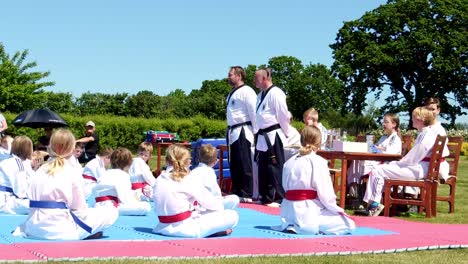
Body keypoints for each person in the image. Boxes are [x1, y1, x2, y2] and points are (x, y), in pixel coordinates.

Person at [13, 129, 117, 240]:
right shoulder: (72, 171)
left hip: (33, 228)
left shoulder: (39, 171)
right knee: (111, 213)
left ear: (51, 146)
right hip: (61, 231)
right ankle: (87, 232)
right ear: (72, 148)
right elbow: (79, 210)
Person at [273, 126, 355, 234]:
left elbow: (284, 188)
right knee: (349, 224)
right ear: (319, 143)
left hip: (288, 212)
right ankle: (307, 227)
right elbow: (326, 195)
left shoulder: (289, 162)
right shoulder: (319, 162)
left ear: (301, 140)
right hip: (308, 212)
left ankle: (293, 224)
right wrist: (338, 210)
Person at [360, 107, 439, 216]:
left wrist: (398, 163)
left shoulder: (426, 134)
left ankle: (374, 205)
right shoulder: (425, 133)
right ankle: (372, 204)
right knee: (380, 169)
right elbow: (414, 156)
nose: (412, 120)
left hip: (419, 169)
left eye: (414, 117)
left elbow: (414, 157)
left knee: (378, 170)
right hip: (419, 167)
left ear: (421, 119)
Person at [153, 144, 239, 238]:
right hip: (187, 229)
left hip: (162, 226)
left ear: (166, 161)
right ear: (186, 162)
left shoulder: (159, 179)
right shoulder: (187, 178)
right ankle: (210, 231)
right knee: (233, 215)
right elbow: (213, 205)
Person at [254, 68, 290, 207]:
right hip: (262, 135)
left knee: (275, 167)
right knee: (263, 167)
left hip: (274, 134)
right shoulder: (260, 95)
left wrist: (286, 133)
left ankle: (281, 197)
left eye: (257, 78)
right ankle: (265, 196)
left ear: (265, 78)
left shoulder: (276, 93)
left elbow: (283, 115)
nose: (255, 81)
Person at [347, 113, 402, 198]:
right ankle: (353, 187)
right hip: (377, 160)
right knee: (356, 161)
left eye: (386, 122)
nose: (383, 124)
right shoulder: (384, 137)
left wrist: (379, 149)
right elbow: (375, 148)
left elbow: (390, 154)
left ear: (394, 124)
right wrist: (378, 148)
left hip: (386, 164)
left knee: (361, 163)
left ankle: (357, 190)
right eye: (383, 122)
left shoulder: (395, 139)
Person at [226, 66, 258, 202]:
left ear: (239, 76)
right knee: (235, 162)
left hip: (243, 130)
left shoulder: (247, 91)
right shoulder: (231, 93)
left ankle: (247, 192)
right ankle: (237, 190)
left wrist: (256, 132)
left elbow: (254, 112)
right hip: (232, 130)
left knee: (245, 162)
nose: (229, 77)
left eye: (231, 75)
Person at [94, 147, 151, 216]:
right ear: (128, 164)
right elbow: (125, 199)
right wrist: (136, 201)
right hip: (111, 207)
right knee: (146, 207)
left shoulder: (105, 173)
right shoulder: (123, 175)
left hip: (97, 205)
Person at [186, 144, 239, 210]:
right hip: (206, 207)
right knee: (235, 199)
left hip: (194, 205)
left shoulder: (193, 171)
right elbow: (215, 194)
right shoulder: (209, 172)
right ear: (215, 161)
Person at [0, 136, 35, 215]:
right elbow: (20, 191)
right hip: (5, 202)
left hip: (6, 200)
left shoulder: (13, 161)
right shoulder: (17, 163)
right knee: (36, 206)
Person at [424, 97, 450, 180]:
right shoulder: (424, 129)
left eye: (433, 109)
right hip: (426, 163)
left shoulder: (440, 130)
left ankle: (412, 193)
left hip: (437, 166)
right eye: (428, 109)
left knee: (409, 174)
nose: (430, 112)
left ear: (438, 110)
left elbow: (436, 152)